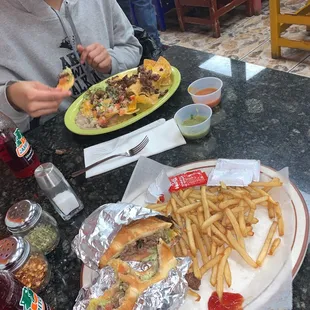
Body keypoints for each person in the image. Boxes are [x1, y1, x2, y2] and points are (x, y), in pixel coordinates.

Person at [0, 0, 142, 132]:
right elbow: (7, 131)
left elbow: (131, 46)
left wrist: (112, 62)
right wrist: (11, 99)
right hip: (59, 138)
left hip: (131, 110)